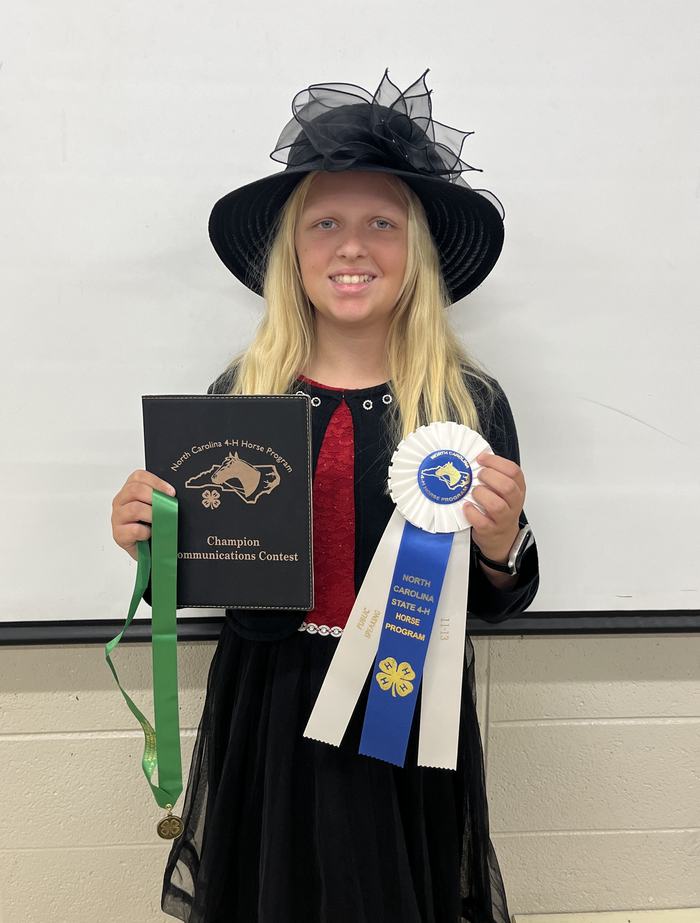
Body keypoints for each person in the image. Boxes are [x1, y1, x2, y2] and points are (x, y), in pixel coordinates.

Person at [111, 69, 539, 923]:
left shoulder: (468, 405)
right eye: (326, 224)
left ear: (415, 249)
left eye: (382, 222)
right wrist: (150, 545)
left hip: (403, 705)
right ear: (293, 252)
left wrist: (501, 546)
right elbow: (209, 578)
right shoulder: (240, 397)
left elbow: (499, 599)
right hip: (270, 706)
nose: (353, 246)